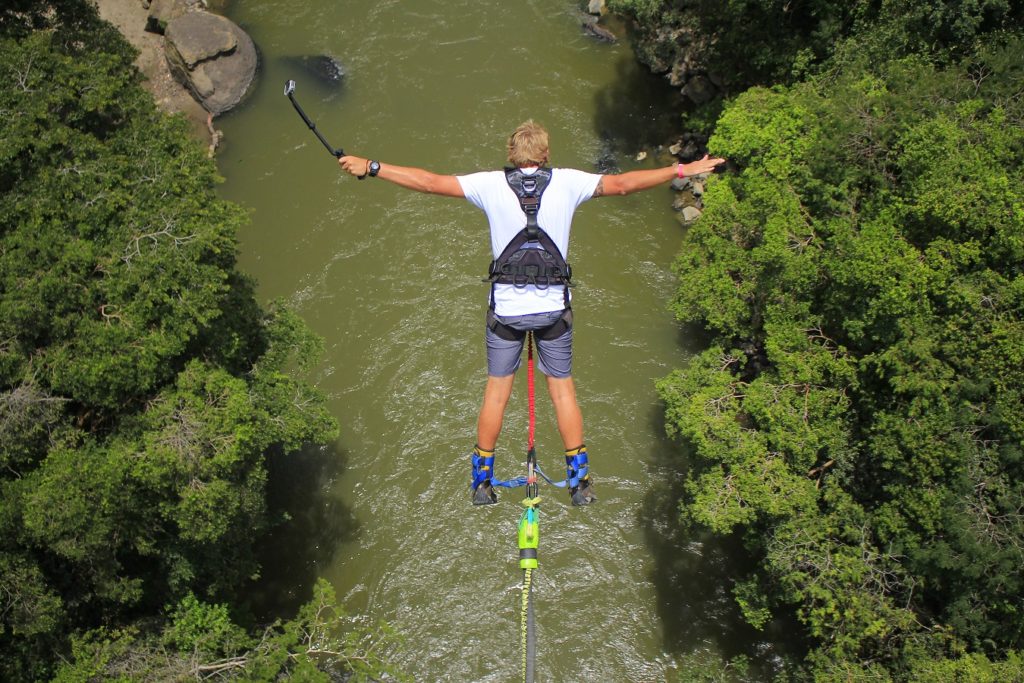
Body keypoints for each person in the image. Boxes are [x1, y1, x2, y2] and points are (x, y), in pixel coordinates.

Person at [338, 120, 724, 506]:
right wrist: (680, 170)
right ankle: (579, 484)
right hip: (553, 311)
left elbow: (428, 182)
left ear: (511, 154)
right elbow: (623, 184)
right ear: (545, 155)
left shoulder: (488, 184)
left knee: (496, 394)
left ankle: (482, 484)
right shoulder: (570, 182)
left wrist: (372, 166)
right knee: (562, 391)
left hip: (506, 313)